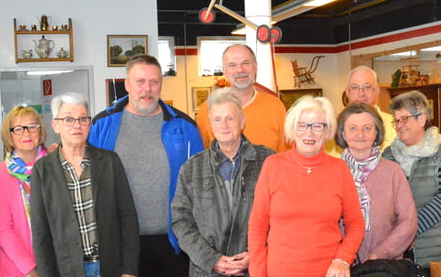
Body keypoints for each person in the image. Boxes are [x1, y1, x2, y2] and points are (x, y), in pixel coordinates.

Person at [88, 54, 204, 277]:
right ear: (127, 85)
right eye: (140, 82)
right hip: (121, 243)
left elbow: (201, 183)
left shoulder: (185, 126)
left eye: (154, 82)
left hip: (174, 243)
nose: (147, 89)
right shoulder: (102, 124)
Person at [248, 95, 365, 277]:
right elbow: (257, 226)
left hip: (328, 272)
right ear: (292, 129)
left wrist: (343, 259)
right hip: (279, 271)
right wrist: (257, 273)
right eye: (302, 125)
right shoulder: (273, 165)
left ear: (327, 132)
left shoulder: (339, 169)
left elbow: (356, 223)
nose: (309, 133)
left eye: (317, 126)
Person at [30, 92, 139, 277]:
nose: (77, 126)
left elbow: (128, 217)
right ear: (56, 126)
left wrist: (129, 270)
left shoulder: (110, 161)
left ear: (89, 124)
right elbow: (41, 233)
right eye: (69, 119)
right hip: (67, 269)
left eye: (83, 119)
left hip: (110, 266)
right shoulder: (42, 170)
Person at [172, 88, 275, 277]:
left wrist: (256, 253)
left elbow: (281, 217)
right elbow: (181, 222)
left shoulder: (269, 162)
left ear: (242, 121)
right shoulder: (191, 168)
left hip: (256, 268)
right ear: (210, 124)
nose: (224, 125)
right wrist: (212, 260)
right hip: (206, 271)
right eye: (217, 120)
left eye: (230, 118)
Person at [336, 102, 417, 263]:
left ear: (376, 132)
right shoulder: (332, 172)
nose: (360, 134)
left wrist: (378, 255)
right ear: (343, 134)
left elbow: (409, 221)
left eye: (367, 128)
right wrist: (342, 257)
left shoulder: (393, 171)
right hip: (340, 266)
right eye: (352, 128)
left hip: (385, 265)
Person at [383, 90, 441, 268]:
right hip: (398, 256)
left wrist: (410, 230)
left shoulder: (439, 151)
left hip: (433, 253)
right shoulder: (388, 155)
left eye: (405, 118)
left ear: (422, 119)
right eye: (396, 120)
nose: (399, 125)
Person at [196, 44, 288, 152]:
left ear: (255, 66)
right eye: (232, 65)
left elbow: (285, 157)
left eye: (246, 63)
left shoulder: (275, 107)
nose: (240, 70)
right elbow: (203, 158)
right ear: (224, 71)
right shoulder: (207, 110)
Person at [0, 106, 49, 277]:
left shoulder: (54, 166)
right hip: (17, 269)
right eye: (18, 129)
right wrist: (30, 270)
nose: (26, 133)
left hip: (54, 263)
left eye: (32, 127)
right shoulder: (0, 174)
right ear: (9, 136)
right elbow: (2, 230)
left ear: (40, 131)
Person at [327, 66, 396, 156]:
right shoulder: (331, 127)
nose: (361, 93)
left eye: (367, 87)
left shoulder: (395, 125)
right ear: (347, 92)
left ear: (377, 90)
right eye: (355, 88)